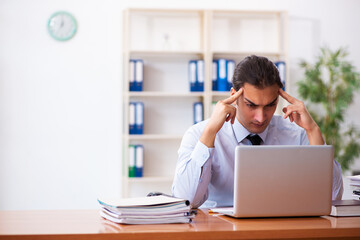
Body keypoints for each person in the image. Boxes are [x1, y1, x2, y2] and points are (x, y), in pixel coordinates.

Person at [172, 55, 343, 208]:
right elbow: (186, 200)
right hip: (218, 230)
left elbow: (332, 198)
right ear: (234, 96)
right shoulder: (199, 134)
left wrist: (313, 130)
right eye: (251, 105)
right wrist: (210, 132)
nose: (261, 118)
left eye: (270, 105)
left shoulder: (297, 134)